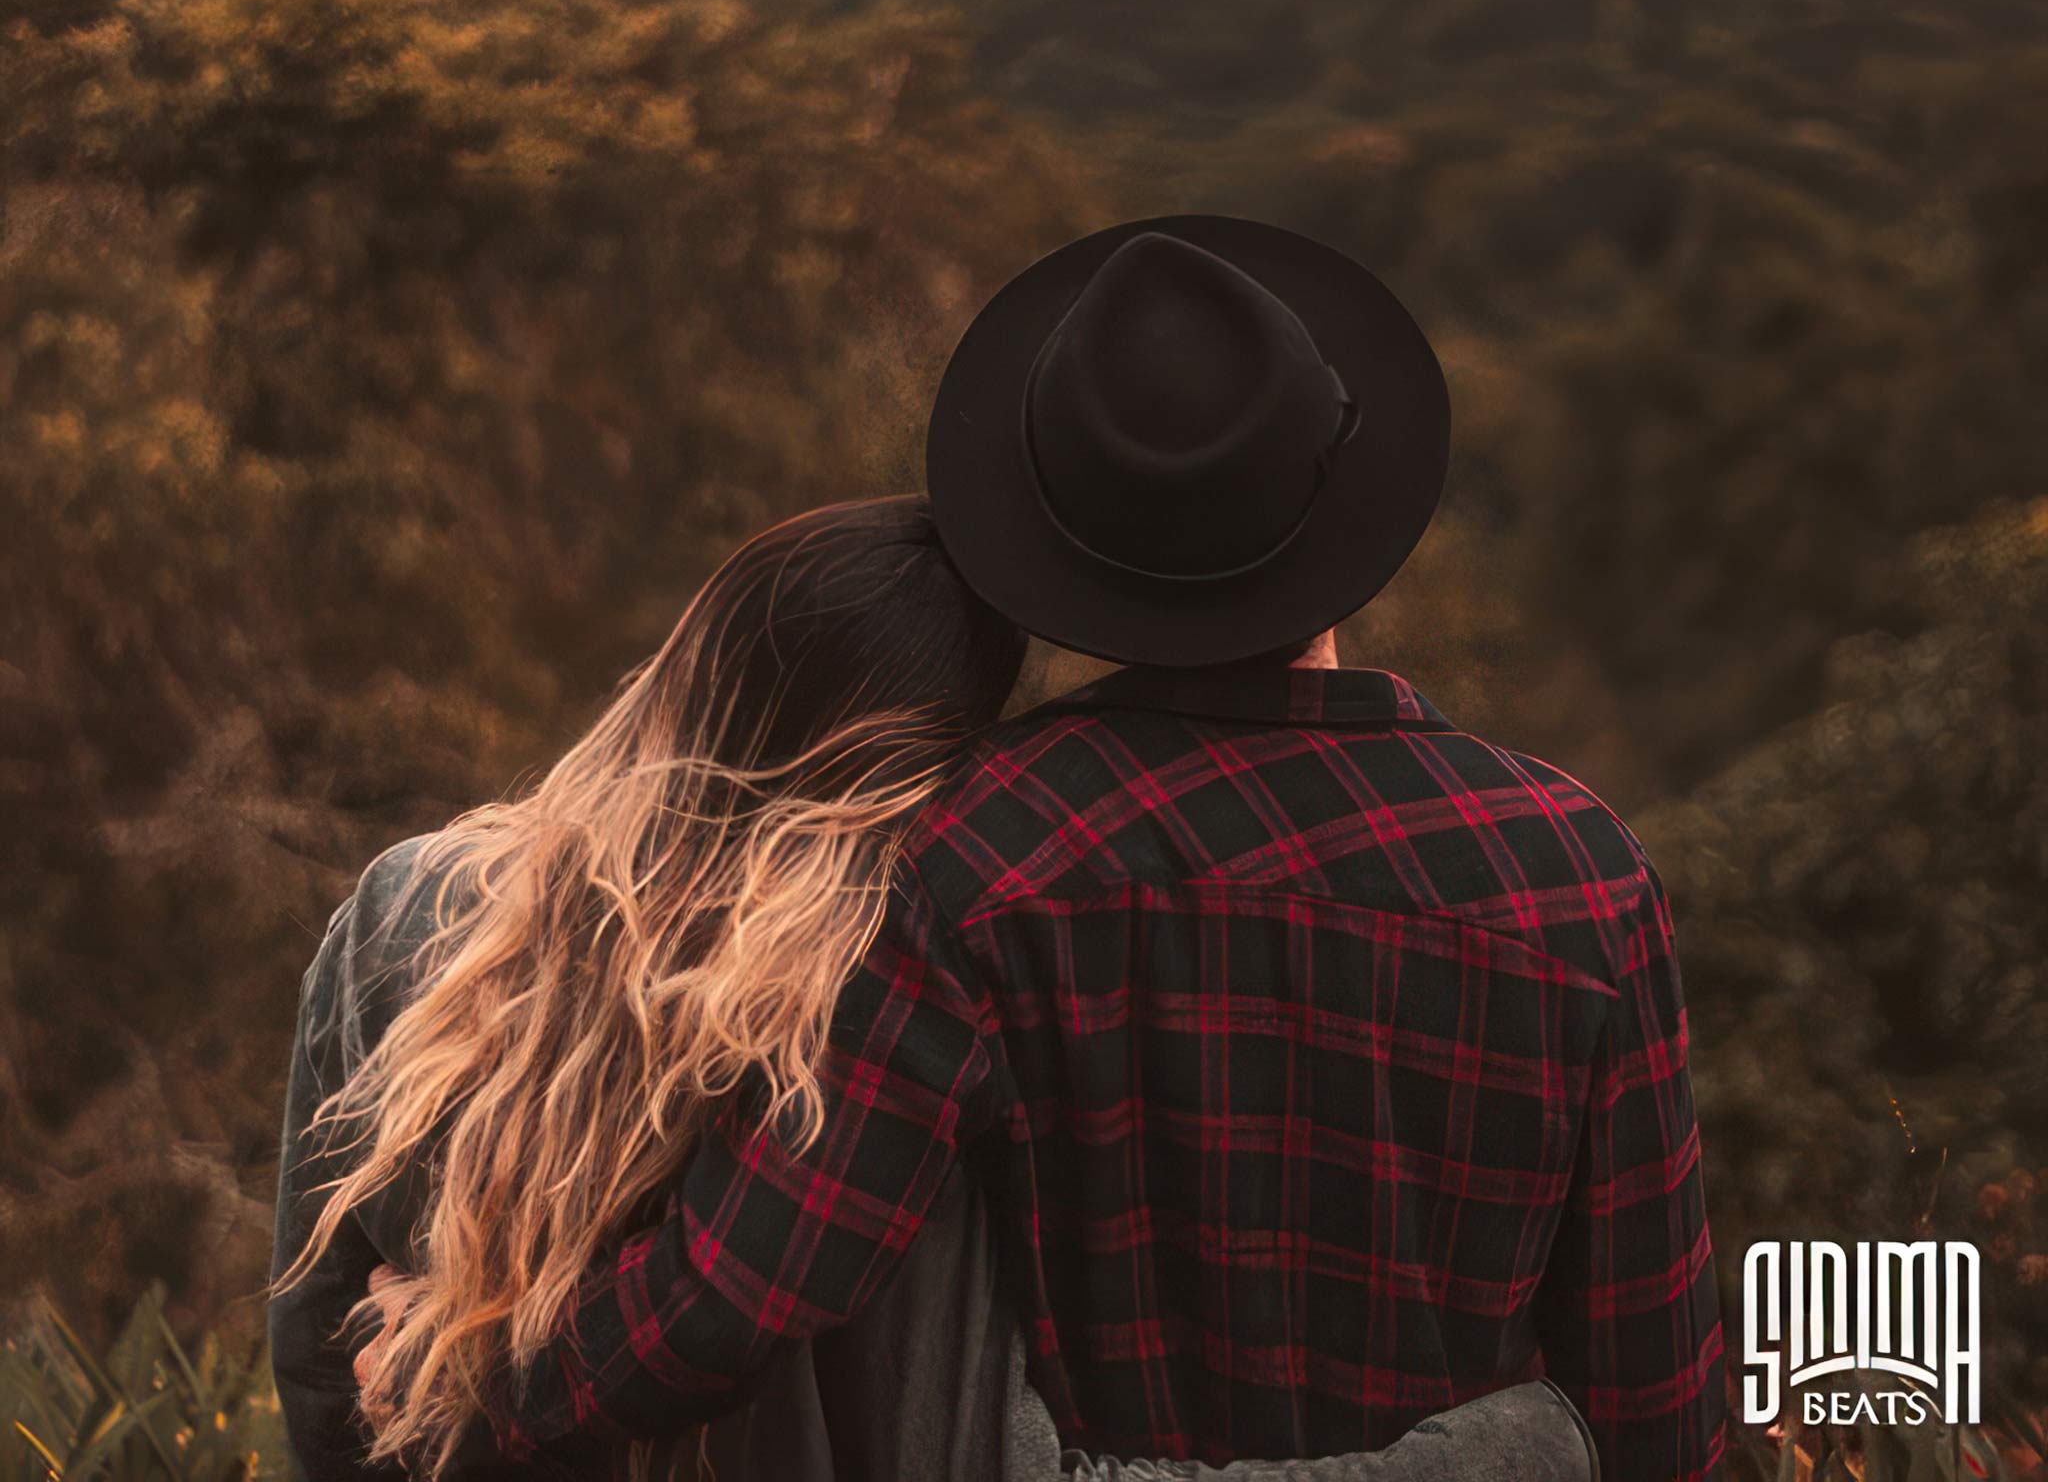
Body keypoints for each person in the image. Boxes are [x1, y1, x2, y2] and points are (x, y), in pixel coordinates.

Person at [360, 219, 1694, 1475]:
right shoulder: (1577, 869)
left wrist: (460, 1371)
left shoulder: (966, 858)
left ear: (1063, 537)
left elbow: (741, 1292)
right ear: (1343, 510)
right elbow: (1651, 1398)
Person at [274, 489, 1590, 1482]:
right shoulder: (870, 1031)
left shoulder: (415, 914)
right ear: (932, 770)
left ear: (686, 667)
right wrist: (1519, 1446)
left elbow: (331, 1380)